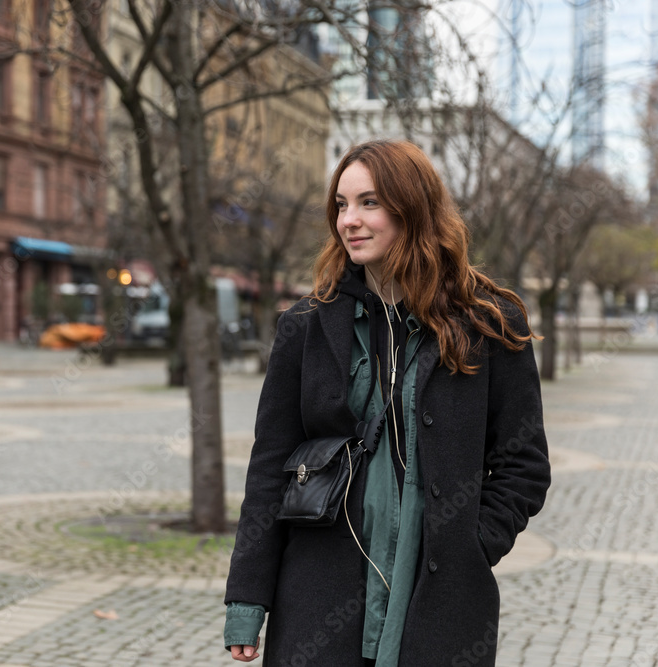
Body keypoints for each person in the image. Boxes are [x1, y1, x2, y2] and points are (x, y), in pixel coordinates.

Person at [223, 140, 551, 666]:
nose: (348, 220)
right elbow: (268, 470)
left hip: (440, 602)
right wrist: (247, 599)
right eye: (341, 205)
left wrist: (473, 544)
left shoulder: (490, 323)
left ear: (413, 208)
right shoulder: (305, 327)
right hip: (317, 598)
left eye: (369, 203)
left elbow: (523, 464)